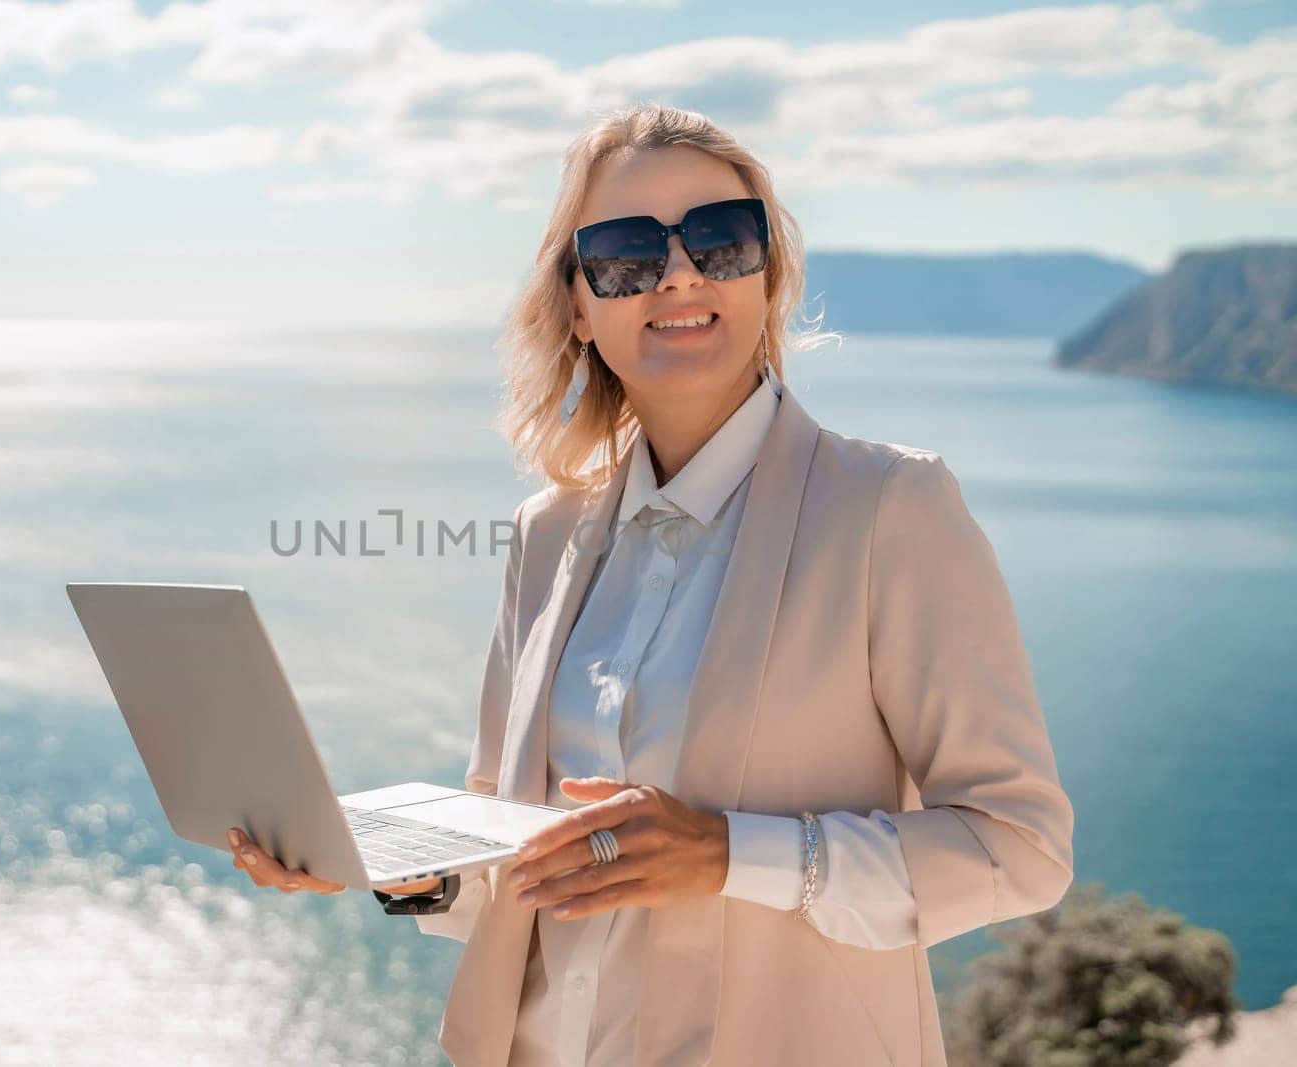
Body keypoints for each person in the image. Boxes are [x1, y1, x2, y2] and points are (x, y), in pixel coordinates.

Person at [227, 103, 1075, 1066]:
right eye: (627, 252)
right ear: (580, 306)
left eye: (720, 239)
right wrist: (387, 862)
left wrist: (728, 854)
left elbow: (1019, 848)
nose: (678, 273)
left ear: (769, 277)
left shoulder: (891, 509)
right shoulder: (546, 534)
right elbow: (522, 857)